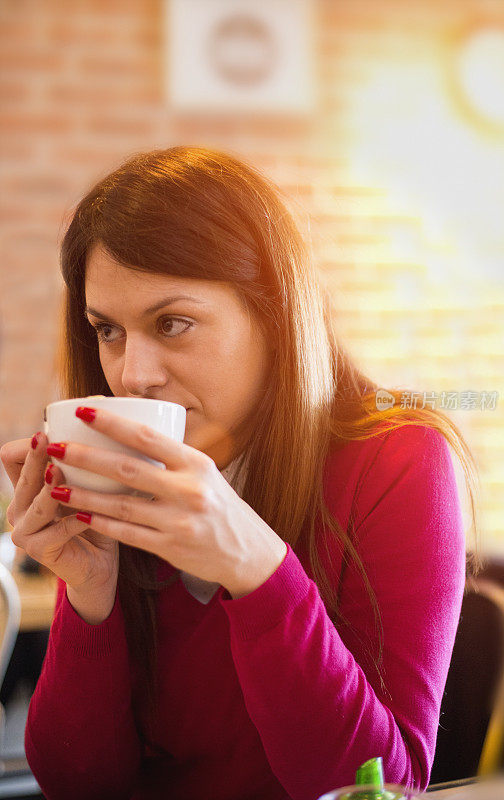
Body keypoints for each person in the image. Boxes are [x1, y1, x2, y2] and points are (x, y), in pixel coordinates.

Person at [0, 146, 479, 800]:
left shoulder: (396, 459)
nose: (133, 374)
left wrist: (254, 566)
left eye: (172, 323)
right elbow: (78, 785)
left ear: (274, 315)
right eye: (107, 330)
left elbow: (379, 785)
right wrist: (88, 595)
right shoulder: (123, 478)